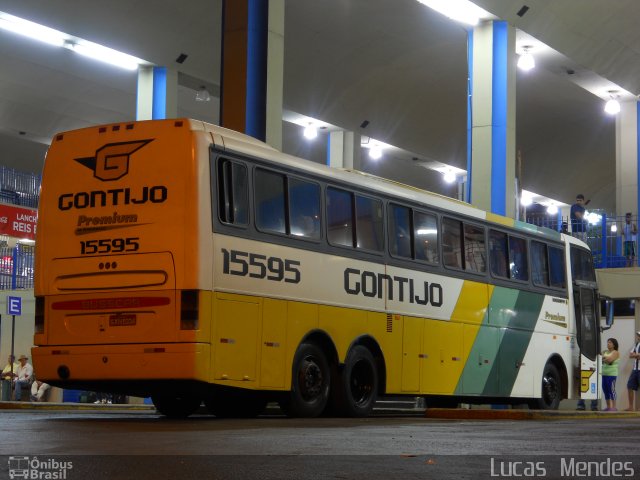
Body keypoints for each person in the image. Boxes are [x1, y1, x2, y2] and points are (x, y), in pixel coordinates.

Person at [601, 338, 620, 411]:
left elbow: (609, 361)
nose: (608, 344)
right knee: (605, 390)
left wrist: (604, 358)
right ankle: (608, 406)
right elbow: (600, 358)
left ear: (614, 344)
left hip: (612, 374)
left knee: (611, 390)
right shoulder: (605, 351)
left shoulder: (616, 352)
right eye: (608, 342)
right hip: (604, 374)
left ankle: (614, 407)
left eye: (610, 342)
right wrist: (606, 358)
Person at [625, 331, 640, 411]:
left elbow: (634, 355)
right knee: (629, 386)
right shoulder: (636, 344)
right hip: (635, 369)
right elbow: (630, 355)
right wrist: (637, 355)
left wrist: (636, 355)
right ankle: (631, 407)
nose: (638, 337)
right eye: (638, 335)